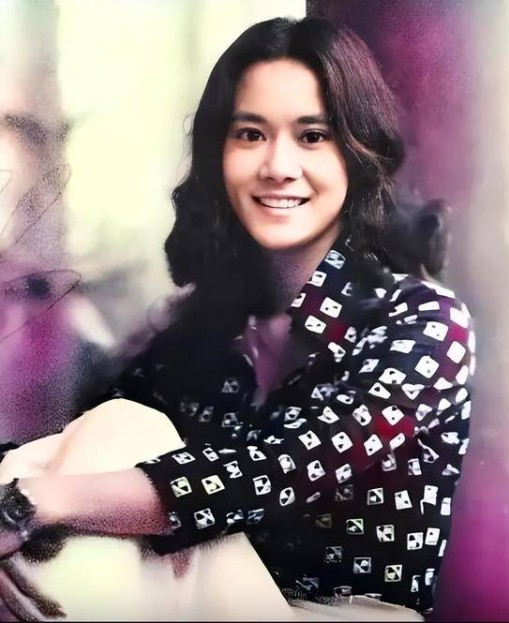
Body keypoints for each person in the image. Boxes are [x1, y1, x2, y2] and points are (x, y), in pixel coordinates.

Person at [0, 16, 475, 621]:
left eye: (312, 136)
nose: (277, 165)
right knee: (111, 429)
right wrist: (24, 488)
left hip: (344, 613)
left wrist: (31, 503)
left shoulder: (422, 321)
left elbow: (278, 470)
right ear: (217, 156)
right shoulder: (197, 337)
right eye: (250, 134)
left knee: (118, 434)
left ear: (355, 154)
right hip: (191, 604)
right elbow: (67, 451)